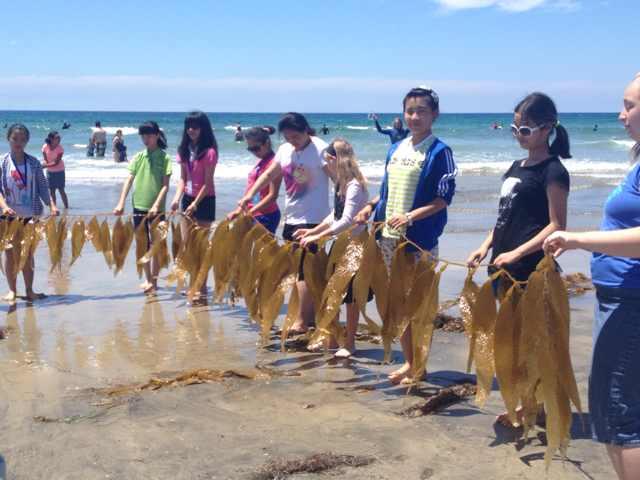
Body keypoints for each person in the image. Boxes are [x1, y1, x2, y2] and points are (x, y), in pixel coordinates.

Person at [543, 74, 640, 480]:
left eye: (629, 105)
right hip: (615, 297)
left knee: (621, 414)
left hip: (631, 300)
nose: (621, 115)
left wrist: (577, 239)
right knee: (610, 411)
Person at [355, 87, 457, 384]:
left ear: (434, 115)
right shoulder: (396, 148)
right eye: (410, 111)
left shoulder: (440, 151)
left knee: (418, 306)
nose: (414, 117)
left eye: (421, 111)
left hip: (418, 241)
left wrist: (411, 216)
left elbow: (443, 198)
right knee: (396, 304)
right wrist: (370, 207)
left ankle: (420, 365)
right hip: (388, 238)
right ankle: (410, 362)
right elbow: (387, 191)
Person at [238, 112, 335, 334]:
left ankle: (302, 321)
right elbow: (269, 175)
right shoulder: (284, 150)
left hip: (315, 220)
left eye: (296, 137)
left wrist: (344, 210)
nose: (293, 142)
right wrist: (249, 195)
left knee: (304, 270)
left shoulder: (320, 149)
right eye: (288, 138)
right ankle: (309, 319)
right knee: (300, 269)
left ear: (305, 130)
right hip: (292, 218)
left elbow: (337, 178)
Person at [467, 92, 571, 290]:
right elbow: (505, 216)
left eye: (524, 130)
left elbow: (557, 225)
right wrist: (484, 247)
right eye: (514, 129)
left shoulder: (553, 171)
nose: (518, 135)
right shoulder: (516, 166)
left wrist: (518, 253)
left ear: (547, 128)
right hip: (501, 264)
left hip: (529, 270)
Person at [295, 139, 369, 358]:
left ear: (337, 159)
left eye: (328, 160)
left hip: (356, 247)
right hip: (340, 245)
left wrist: (319, 236)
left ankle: (350, 343)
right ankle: (333, 338)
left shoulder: (355, 185)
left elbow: (347, 221)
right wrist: (311, 231)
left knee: (351, 298)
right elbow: (334, 216)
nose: (326, 165)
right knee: (332, 293)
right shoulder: (340, 183)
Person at [0, 124, 58, 303]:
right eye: (15, 138)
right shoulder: (2, 162)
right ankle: (12, 290)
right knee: (10, 254)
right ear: (8, 139)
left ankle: (30, 290)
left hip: (31, 216)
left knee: (27, 253)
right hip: (7, 217)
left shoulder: (33, 163)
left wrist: (52, 206)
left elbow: (43, 188)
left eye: (22, 139)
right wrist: (3, 206)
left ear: (27, 141)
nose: (18, 142)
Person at [114, 121, 172, 295]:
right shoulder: (139, 157)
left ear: (156, 135)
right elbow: (129, 180)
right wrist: (121, 202)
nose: (146, 139)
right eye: (143, 136)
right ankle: (147, 278)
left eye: (149, 135)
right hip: (138, 206)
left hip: (158, 209)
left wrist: (156, 204)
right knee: (142, 245)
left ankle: (154, 280)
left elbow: (165, 186)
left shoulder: (164, 157)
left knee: (157, 245)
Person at [169, 111, 218, 301]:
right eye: (188, 126)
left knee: (201, 247)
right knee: (187, 245)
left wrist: (196, 204)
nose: (191, 130)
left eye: (195, 127)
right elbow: (183, 179)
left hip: (205, 200)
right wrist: (176, 198)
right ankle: (193, 285)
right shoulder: (184, 150)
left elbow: (208, 183)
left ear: (203, 128)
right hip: (188, 199)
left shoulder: (210, 152)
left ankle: (202, 288)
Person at [227, 126, 281, 233]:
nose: (253, 152)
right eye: (250, 149)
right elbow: (249, 191)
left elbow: (272, 196)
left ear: (266, 143)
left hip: (266, 215)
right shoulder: (261, 162)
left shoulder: (274, 163)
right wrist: (239, 211)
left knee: (261, 250)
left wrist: (251, 212)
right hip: (252, 213)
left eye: (256, 148)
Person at [42, 131, 69, 209]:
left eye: (59, 138)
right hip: (50, 171)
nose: (59, 139)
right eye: (57, 138)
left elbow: (56, 162)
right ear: (51, 139)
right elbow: (46, 160)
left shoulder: (60, 148)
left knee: (61, 190)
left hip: (59, 171)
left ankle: (66, 208)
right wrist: (45, 165)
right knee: (52, 191)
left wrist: (44, 166)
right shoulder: (45, 147)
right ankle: (54, 208)